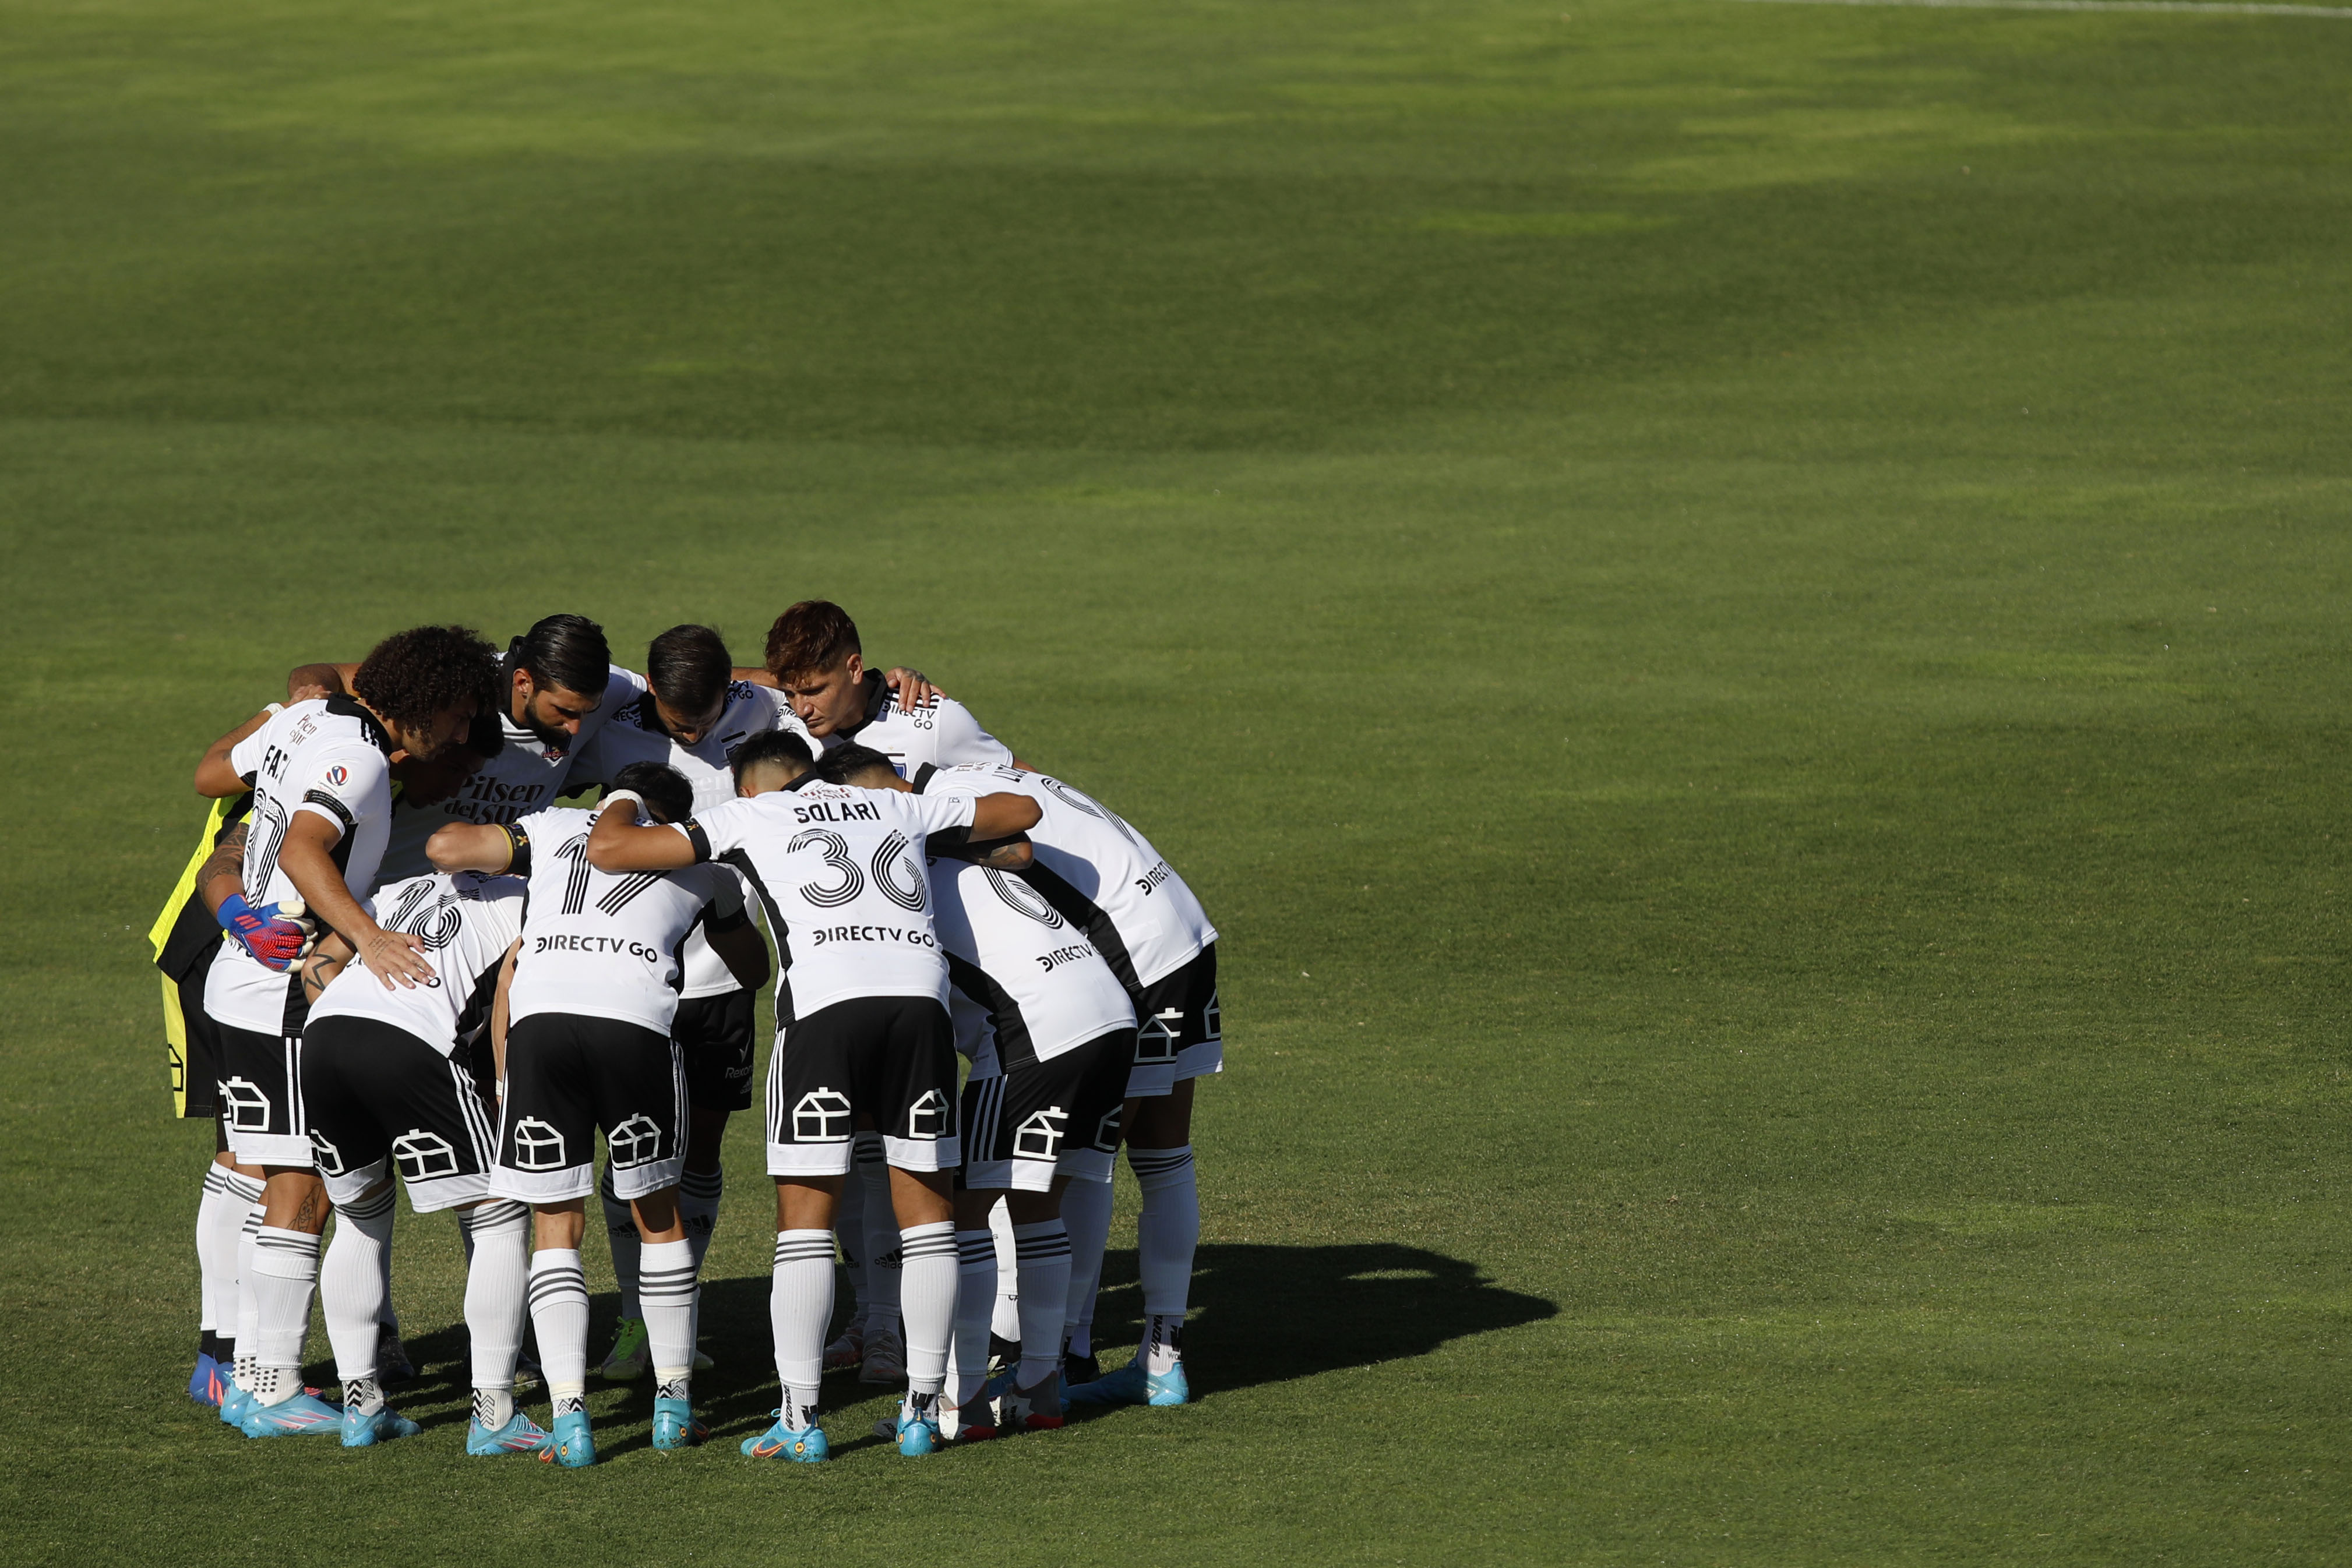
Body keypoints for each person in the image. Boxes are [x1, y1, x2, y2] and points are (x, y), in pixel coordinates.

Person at [583, 730, 1041, 1460]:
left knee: (804, 1220)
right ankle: (922, 1412)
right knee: (926, 1216)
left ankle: (799, 1419)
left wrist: (625, 794)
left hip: (826, 1007)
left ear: (751, 786)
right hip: (917, 1002)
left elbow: (609, 850)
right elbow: (1021, 809)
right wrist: (915, 799)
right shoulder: (893, 804)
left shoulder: (749, 817)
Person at [192, 625, 498, 1435]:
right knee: (304, 1192)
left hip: (238, 974)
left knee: (281, 1184)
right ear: (425, 704)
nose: (465, 732)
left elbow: (218, 781)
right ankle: (270, 1388)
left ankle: (249, 1374)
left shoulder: (310, 717)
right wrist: (367, 936)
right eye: (462, 716)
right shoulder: (360, 756)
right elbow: (301, 846)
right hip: (281, 991)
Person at [431, 761, 770, 1467]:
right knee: (657, 1211)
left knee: (556, 1223)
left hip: (540, 1022)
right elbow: (753, 968)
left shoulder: (552, 828)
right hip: (634, 1024)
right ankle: (673, 1406)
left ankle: (570, 1420)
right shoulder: (703, 868)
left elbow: (446, 848)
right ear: (672, 825)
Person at [821, 746, 1134, 1441]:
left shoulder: (888, 875)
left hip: (1033, 1030)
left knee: (959, 1211)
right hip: (1110, 1016)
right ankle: (1039, 1385)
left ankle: (957, 1403)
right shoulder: (961, 846)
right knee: (1037, 1202)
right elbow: (1020, 850)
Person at [763, 598, 1028, 1373]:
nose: (801, 710)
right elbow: (739, 683)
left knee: (945, 1149)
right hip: (843, 967)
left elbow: (1009, 795)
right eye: (791, 693)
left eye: (813, 690)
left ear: (856, 671)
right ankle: (875, 1322)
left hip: (939, 958)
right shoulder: (800, 725)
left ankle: (997, 1321)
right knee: (860, 1146)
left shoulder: (933, 721)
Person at [913, 760, 1219, 1406]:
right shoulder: (966, 758)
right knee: (1161, 1156)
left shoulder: (939, 801)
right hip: (1180, 932)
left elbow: (1018, 847)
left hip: (1132, 956)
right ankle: (1158, 1356)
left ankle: (1065, 1355)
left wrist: (923, 839)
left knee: (1078, 1161)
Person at [569, 626, 797, 1382]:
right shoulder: (613, 722)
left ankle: (680, 1312)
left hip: (722, 971)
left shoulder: (765, 710)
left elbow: (824, 692)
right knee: (629, 1154)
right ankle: (637, 1322)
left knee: (698, 1149)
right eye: (677, 722)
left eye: (704, 722)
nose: (693, 736)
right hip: (624, 974)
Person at [276, 864, 528, 1447]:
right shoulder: (531, 896)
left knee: (360, 1219)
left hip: (324, 1037)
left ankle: (362, 1404)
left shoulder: (404, 886)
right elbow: (512, 990)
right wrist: (501, 1086)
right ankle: (493, 1415)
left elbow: (319, 964)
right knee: (497, 1215)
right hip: (417, 1044)